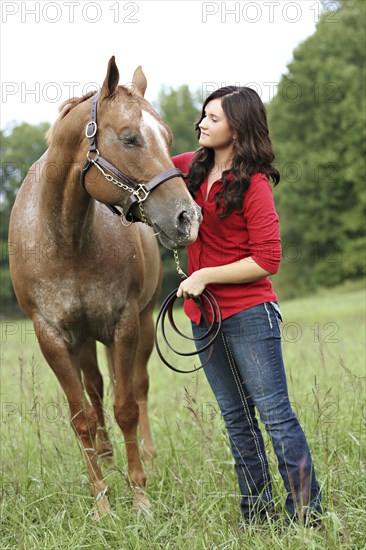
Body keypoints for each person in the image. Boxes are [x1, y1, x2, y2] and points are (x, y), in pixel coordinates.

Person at [171, 86, 322, 527]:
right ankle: (256, 515)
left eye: (213, 118)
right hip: (205, 320)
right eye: (203, 115)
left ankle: (305, 517)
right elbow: (147, 167)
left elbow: (267, 259)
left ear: (237, 129)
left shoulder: (254, 184)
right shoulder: (190, 168)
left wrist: (204, 276)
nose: (201, 123)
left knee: (275, 417)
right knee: (237, 421)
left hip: (249, 315)